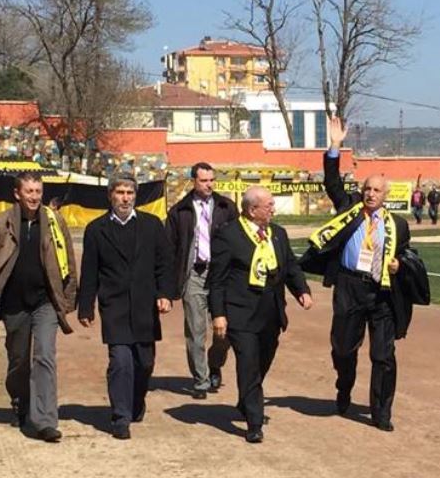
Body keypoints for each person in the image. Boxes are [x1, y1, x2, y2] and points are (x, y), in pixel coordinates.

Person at [300, 117, 413, 432]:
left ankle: (381, 412)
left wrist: (399, 266)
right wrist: (335, 145)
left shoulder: (398, 225)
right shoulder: (349, 208)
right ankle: (344, 385)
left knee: (383, 355)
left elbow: (408, 257)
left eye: (376, 190)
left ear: (385, 195)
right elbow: (332, 182)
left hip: (382, 292)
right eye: (367, 188)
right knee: (343, 348)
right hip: (349, 286)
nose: (370, 194)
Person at [0, 172, 77, 442]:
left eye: (38, 191)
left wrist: (68, 296)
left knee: (45, 355)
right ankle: (20, 401)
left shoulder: (55, 221)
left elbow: (69, 260)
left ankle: (45, 421)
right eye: (29, 191)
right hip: (13, 303)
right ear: (17, 194)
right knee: (19, 361)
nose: (34, 197)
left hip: (45, 301)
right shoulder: (0, 223)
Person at [207, 186, 312, 443]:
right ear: (252, 210)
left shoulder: (278, 233)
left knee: (263, 360)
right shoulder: (228, 235)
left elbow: (290, 266)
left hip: (270, 312)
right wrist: (218, 314)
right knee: (248, 363)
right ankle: (254, 422)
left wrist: (302, 291)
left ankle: (247, 398)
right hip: (241, 313)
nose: (273, 209)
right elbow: (217, 280)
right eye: (269, 206)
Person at [78, 177, 175, 440]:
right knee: (120, 361)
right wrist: (86, 306)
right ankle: (120, 417)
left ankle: (135, 401)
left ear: (135, 195)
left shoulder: (152, 225)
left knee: (144, 362)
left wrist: (165, 294)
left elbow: (165, 263)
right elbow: (90, 271)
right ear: (110, 195)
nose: (125, 198)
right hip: (114, 305)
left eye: (130, 192)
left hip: (145, 304)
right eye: (120, 192)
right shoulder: (96, 229)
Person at [166, 162, 238, 400]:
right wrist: (167, 287)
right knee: (196, 331)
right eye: (204, 180)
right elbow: (169, 249)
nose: (209, 185)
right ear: (193, 181)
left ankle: (214, 364)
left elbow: (239, 239)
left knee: (224, 332)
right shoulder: (179, 211)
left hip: (221, 276)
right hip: (194, 275)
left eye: (211, 180)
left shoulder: (227, 207)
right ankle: (201, 380)